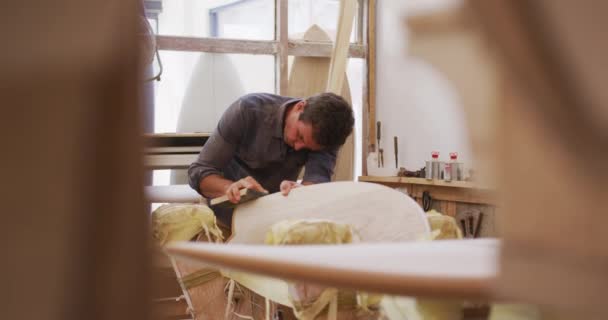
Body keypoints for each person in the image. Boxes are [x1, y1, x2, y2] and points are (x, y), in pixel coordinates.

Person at [188, 92, 354, 224]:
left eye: (307, 148)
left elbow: (314, 188)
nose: (297, 147)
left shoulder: (326, 138)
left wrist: (299, 191)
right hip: (221, 220)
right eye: (299, 136)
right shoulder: (247, 110)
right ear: (299, 107)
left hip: (272, 222)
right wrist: (229, 187)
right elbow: (198, 172)